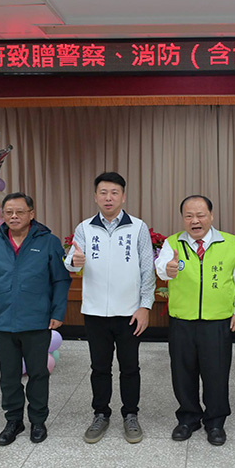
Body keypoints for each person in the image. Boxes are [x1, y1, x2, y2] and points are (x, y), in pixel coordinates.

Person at [0, 192, 71, 446]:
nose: (14, 216)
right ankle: (13, 420)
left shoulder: (48, 242)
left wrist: (57, 313)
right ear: (3, 214)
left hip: (37, 320)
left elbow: (60, 279)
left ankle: (38, 420)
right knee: (8, 375)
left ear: (31, 214)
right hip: (4, 321)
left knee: (38, 374)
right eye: (9, 212)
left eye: (20, 212)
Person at [64, 172, 155, 444]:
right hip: (95, 313)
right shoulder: (84, 228)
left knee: (130, 367)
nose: (108, 198)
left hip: (130, 313)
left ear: (123, 196)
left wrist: (145, 306)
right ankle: (101, 414)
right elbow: (71, 262)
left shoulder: (138, 227)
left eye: (114, 192)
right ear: (95, 196)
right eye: (103, 192)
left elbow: (147, 269)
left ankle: (131, 415)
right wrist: (75, 261)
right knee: (99, 367)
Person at [155, 195, 235, 446]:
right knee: (182, 372)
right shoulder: (173, 243)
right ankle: (188, 418)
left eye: (200, 215)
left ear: (211, 216)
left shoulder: (230, 242)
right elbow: (162, 267)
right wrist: (168, 269)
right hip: (182, 321)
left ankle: (215, 422)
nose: (195, 221)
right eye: (189, 216)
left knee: (216, 373)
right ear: (182, 218)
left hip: (217, 321)